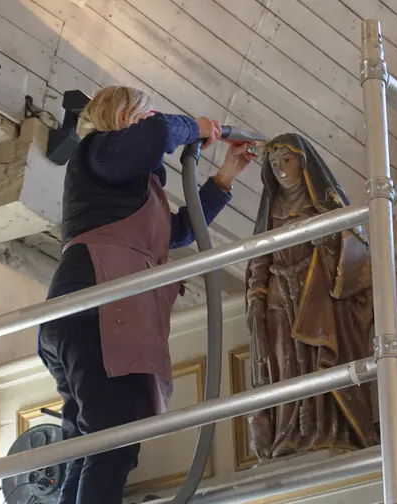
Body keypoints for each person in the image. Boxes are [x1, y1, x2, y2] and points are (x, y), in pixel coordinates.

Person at [37, 85, 256, 503]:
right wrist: (195, 126)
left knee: (86, 445)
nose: (154, 121)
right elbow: (155, 135)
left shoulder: (122, 187)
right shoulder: (98, 152)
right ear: (122, 117)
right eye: (145, 113)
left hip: (85, 312)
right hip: (99, 309)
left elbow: (178, 232)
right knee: (115, 440)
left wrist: (225, 175)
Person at [246, 133, 377, 460]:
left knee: (319, 359)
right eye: (274, 165)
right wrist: (254, 296)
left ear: (303, 162)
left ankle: (328, 430)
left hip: (318, 293)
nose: (281, 170)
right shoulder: (272, 207)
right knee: (287, 364)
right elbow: (259, 258)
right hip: (280, 298)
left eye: (286, 160)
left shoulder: (325, 202)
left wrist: (329, 243)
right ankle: (292, 434)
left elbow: (356, 247)